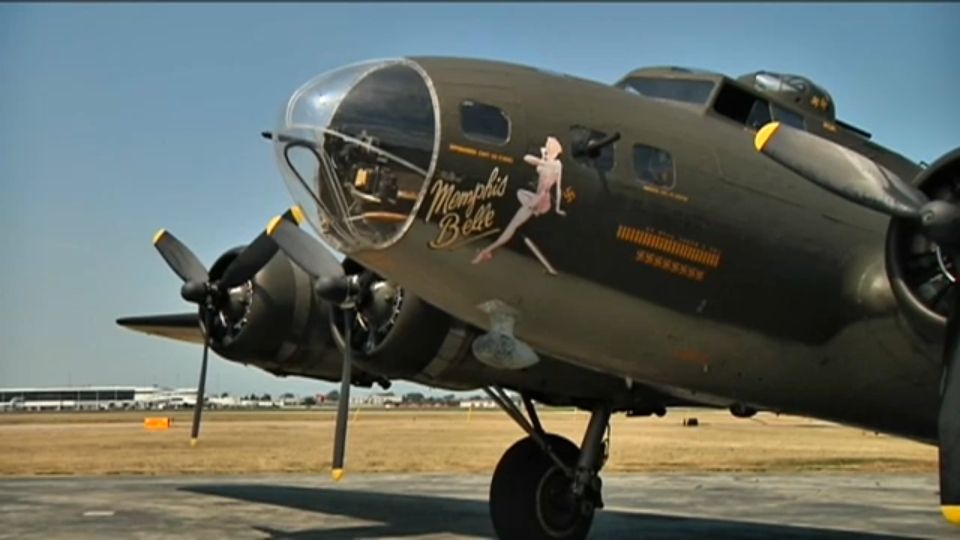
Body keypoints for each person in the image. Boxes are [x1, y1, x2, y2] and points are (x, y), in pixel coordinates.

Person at [472, 136, 567, 264]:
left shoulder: (555, 165)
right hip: (538, 197)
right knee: (519, 198)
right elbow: (527, 158)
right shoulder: (547, 161)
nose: (545, 148)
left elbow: (558, 188)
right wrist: (543, 158)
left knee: (513, 225)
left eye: (547, 147)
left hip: (540, 198)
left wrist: (558, 208)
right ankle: (487, 251)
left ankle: (487, 251)